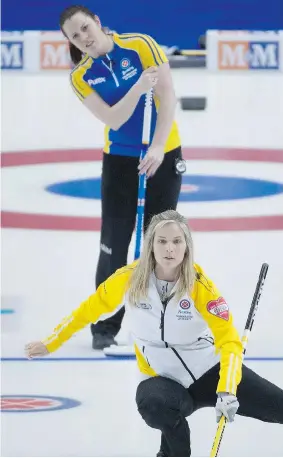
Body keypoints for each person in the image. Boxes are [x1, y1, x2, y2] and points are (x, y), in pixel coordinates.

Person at [25, 210, 283, 457]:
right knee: (153, 405)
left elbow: (230, 342)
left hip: (209, 371)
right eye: (162, 241)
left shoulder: (201, 286)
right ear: (151, 245)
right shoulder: (129, 278)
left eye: (176, 241)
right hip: (162, 380)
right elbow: (86, 311)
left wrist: (226, 389)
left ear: (186, 246)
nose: (169, 248)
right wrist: (51, 342)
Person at [59, 5, 186, 350]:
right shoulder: (81, 77)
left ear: (97, 22)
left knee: (163, 243)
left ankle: (165, 325)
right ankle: (105, 326)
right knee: (114, 245)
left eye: (86, 27)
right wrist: (138, 86)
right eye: (75, 35)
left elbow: (167, 96)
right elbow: (114, 119)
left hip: (162, 155)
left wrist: (159, 147)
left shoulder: (141, 46)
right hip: (119, 162)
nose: (84, 37)